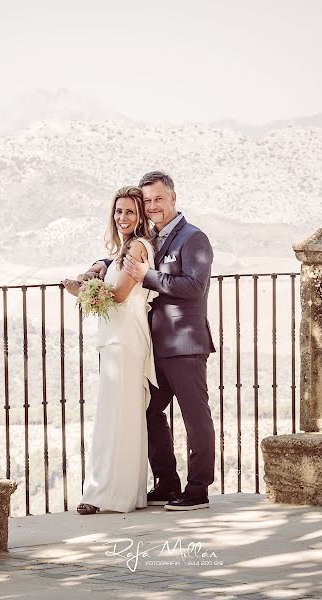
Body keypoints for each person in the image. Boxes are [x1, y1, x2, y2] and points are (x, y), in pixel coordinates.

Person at [97, 171, 216, 511]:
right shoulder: (154, 237)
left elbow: (194, 286)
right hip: (154, 347)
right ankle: (167, 482)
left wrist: (146, 276)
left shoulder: (194, 238)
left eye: (158, 199)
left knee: (196, 418)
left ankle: (198, 491)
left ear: (173, 199)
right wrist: (100, 264)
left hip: (186, 346)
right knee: (147, 412)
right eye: (147, 201)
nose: (152, 207)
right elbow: (130, 257)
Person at [62, 186, 157, 514]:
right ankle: (120, 493)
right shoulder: (123, 252)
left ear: (140, 215)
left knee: (119, 417)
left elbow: (118, 295)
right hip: (117, 340)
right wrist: (94, 269)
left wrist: (82, 290)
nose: (122, 217)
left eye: (129, 211)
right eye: (118, 211)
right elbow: (107, 267)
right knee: (114, 416)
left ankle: (108, 495)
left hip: (126, 341)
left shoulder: (139, 249)